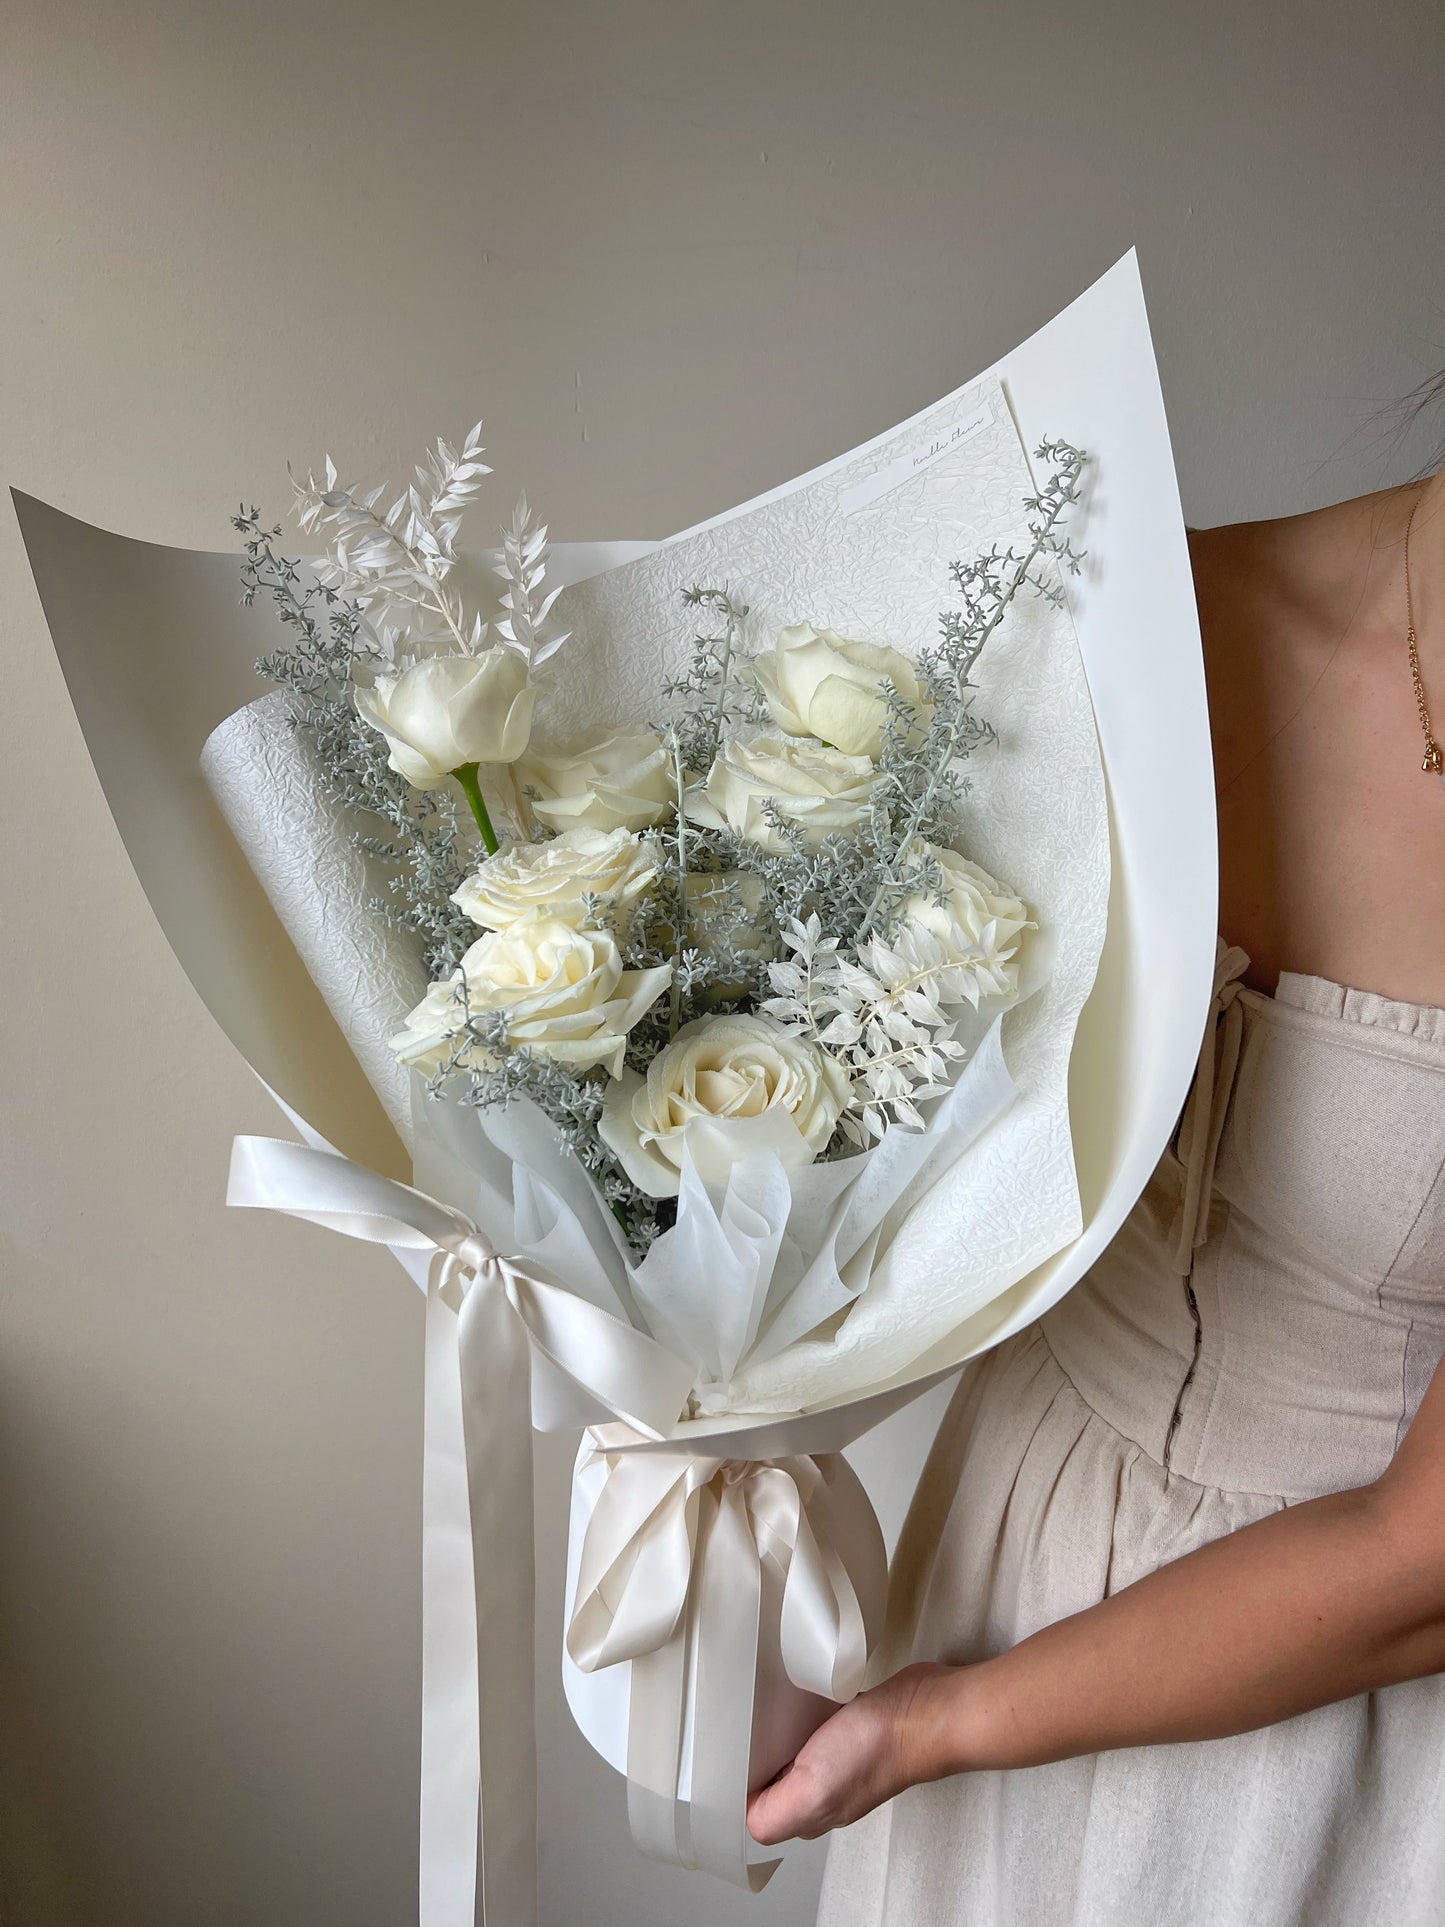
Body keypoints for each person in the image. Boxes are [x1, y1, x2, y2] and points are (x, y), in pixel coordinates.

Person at [747, 431, 1445, 1926]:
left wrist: (946, 1723)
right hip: (1005, 1531)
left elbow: (1422, 1559)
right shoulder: (1134, 613)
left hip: (1348, 1717)